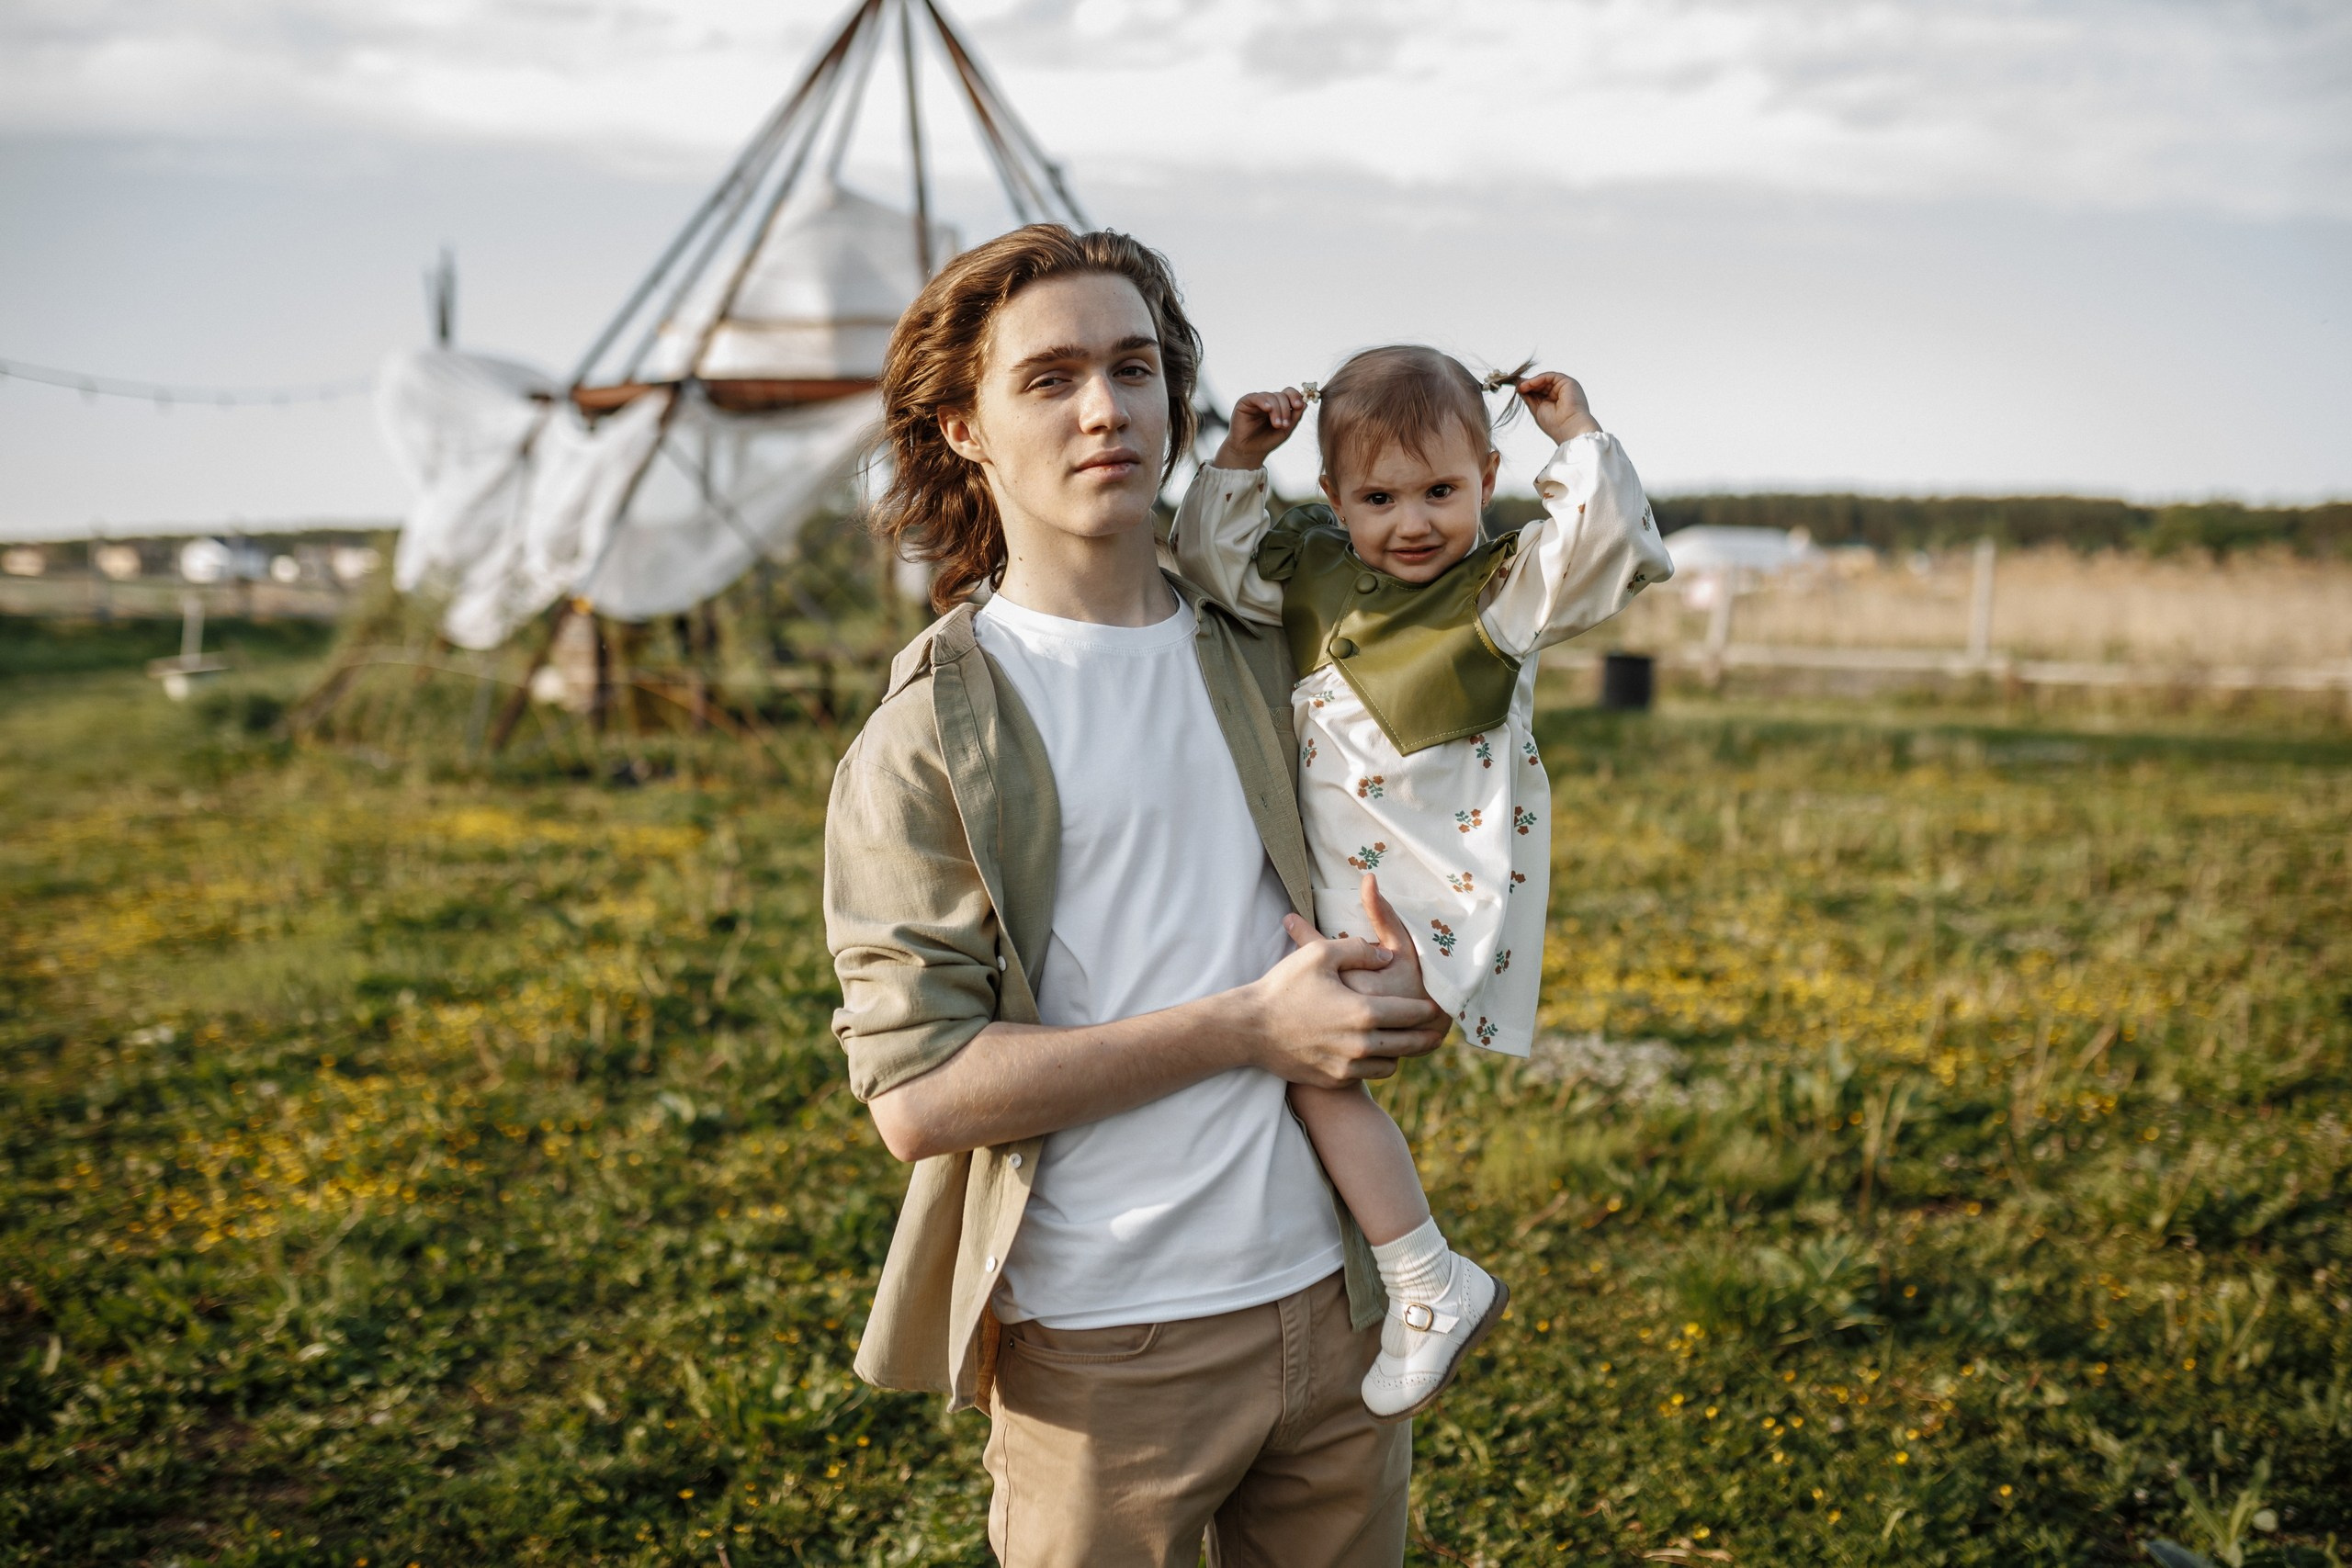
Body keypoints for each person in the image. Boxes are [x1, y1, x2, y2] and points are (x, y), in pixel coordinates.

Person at [823, 226, 1453, 1566]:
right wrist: (1245, 1027)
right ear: (964, 428)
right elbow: (919, 1094)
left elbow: (1389, 886)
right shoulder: (934, 728)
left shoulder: (1276, 649)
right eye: (1049, 378)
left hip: (1339, 1306)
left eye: (1135, 366)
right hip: (1107, 1346)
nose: (1106, 406)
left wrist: (1401, 993)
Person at [1171, 345, 1675, 1418]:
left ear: (1487, 478)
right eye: (1379, 497)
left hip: (1426, 895)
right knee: (1272, 1051)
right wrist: (1239, 457)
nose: (1413, 523)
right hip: (1329, 889)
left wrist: (1575, 437)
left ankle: (1425, 1278)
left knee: (1311, 1069)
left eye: (1442, 491)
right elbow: (1213, 564)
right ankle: (1351, 1269)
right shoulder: (1309, 571)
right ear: (1335, 499)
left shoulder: (1501, 591)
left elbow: (1609, 542)